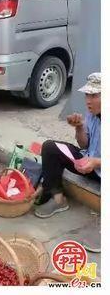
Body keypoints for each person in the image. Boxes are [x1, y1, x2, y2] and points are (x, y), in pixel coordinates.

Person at [34, 73, 100, 225]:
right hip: (88, 164)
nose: (88, 101)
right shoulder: (91, 114)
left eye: (94, 95)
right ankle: (58, 199)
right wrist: (79, 127)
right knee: (50, 148)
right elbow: (84, 145)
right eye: (87, 95)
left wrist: (96, 162)